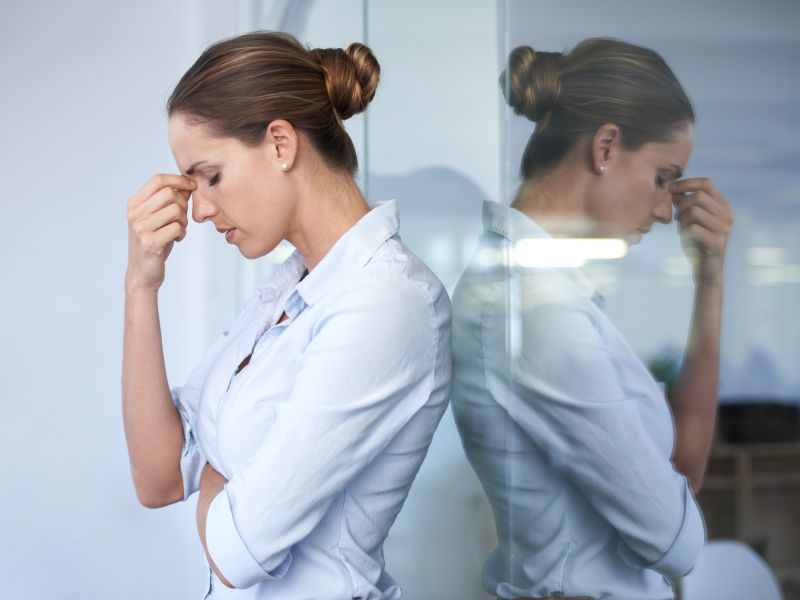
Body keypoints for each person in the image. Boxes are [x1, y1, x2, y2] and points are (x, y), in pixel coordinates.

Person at [122, 31, 451, 599]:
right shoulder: (288, 290)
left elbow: (235, 553)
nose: (198, 209)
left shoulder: (387, 302)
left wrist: (213, 472)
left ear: (280, 143)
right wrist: (140, 289)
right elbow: (156, 476)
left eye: (211, 176)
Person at [451, 38, 733, 600]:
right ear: (605, 146)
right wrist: (668, 512)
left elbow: (681, 473)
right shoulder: (538, 312)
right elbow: (678, 546)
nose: (663, 210)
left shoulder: (543, 292)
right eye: (662, 177)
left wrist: (710, 281)